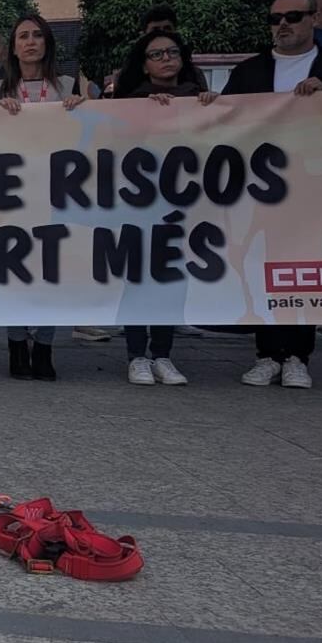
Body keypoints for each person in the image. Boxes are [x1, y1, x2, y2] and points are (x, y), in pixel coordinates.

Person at [109, 23, 218, 386]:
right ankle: (137, 355)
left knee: (173, 278)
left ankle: (163, 354)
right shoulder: (130, 102)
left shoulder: (199, 98)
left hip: (184, 204)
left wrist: (212, 109)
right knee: (138, 277)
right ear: (144, 65)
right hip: (139, 204)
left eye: (172, 53)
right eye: (156, 54)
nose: (166, 59)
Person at [226, 0, 322, 390]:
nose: (284, 24)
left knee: (303, 268)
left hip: (314, 188)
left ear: (313, 19)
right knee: (261, 265)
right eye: (275, 18)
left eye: (294, 16)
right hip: (260, 187)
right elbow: (224, 119)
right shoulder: (250, 71)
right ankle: (267, 354)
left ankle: (298, 355)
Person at [0, 13, 88, 381]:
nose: (30, 42)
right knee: (15, 271)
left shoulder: (67, 86)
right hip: (11, 194)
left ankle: (44, 346)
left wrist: (83, 110)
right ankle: (17, 344)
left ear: (47, 43)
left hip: (58, 191)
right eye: (22, 37)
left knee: (50, 271)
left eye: (37, 36)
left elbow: (89, 135)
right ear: (13, 48)